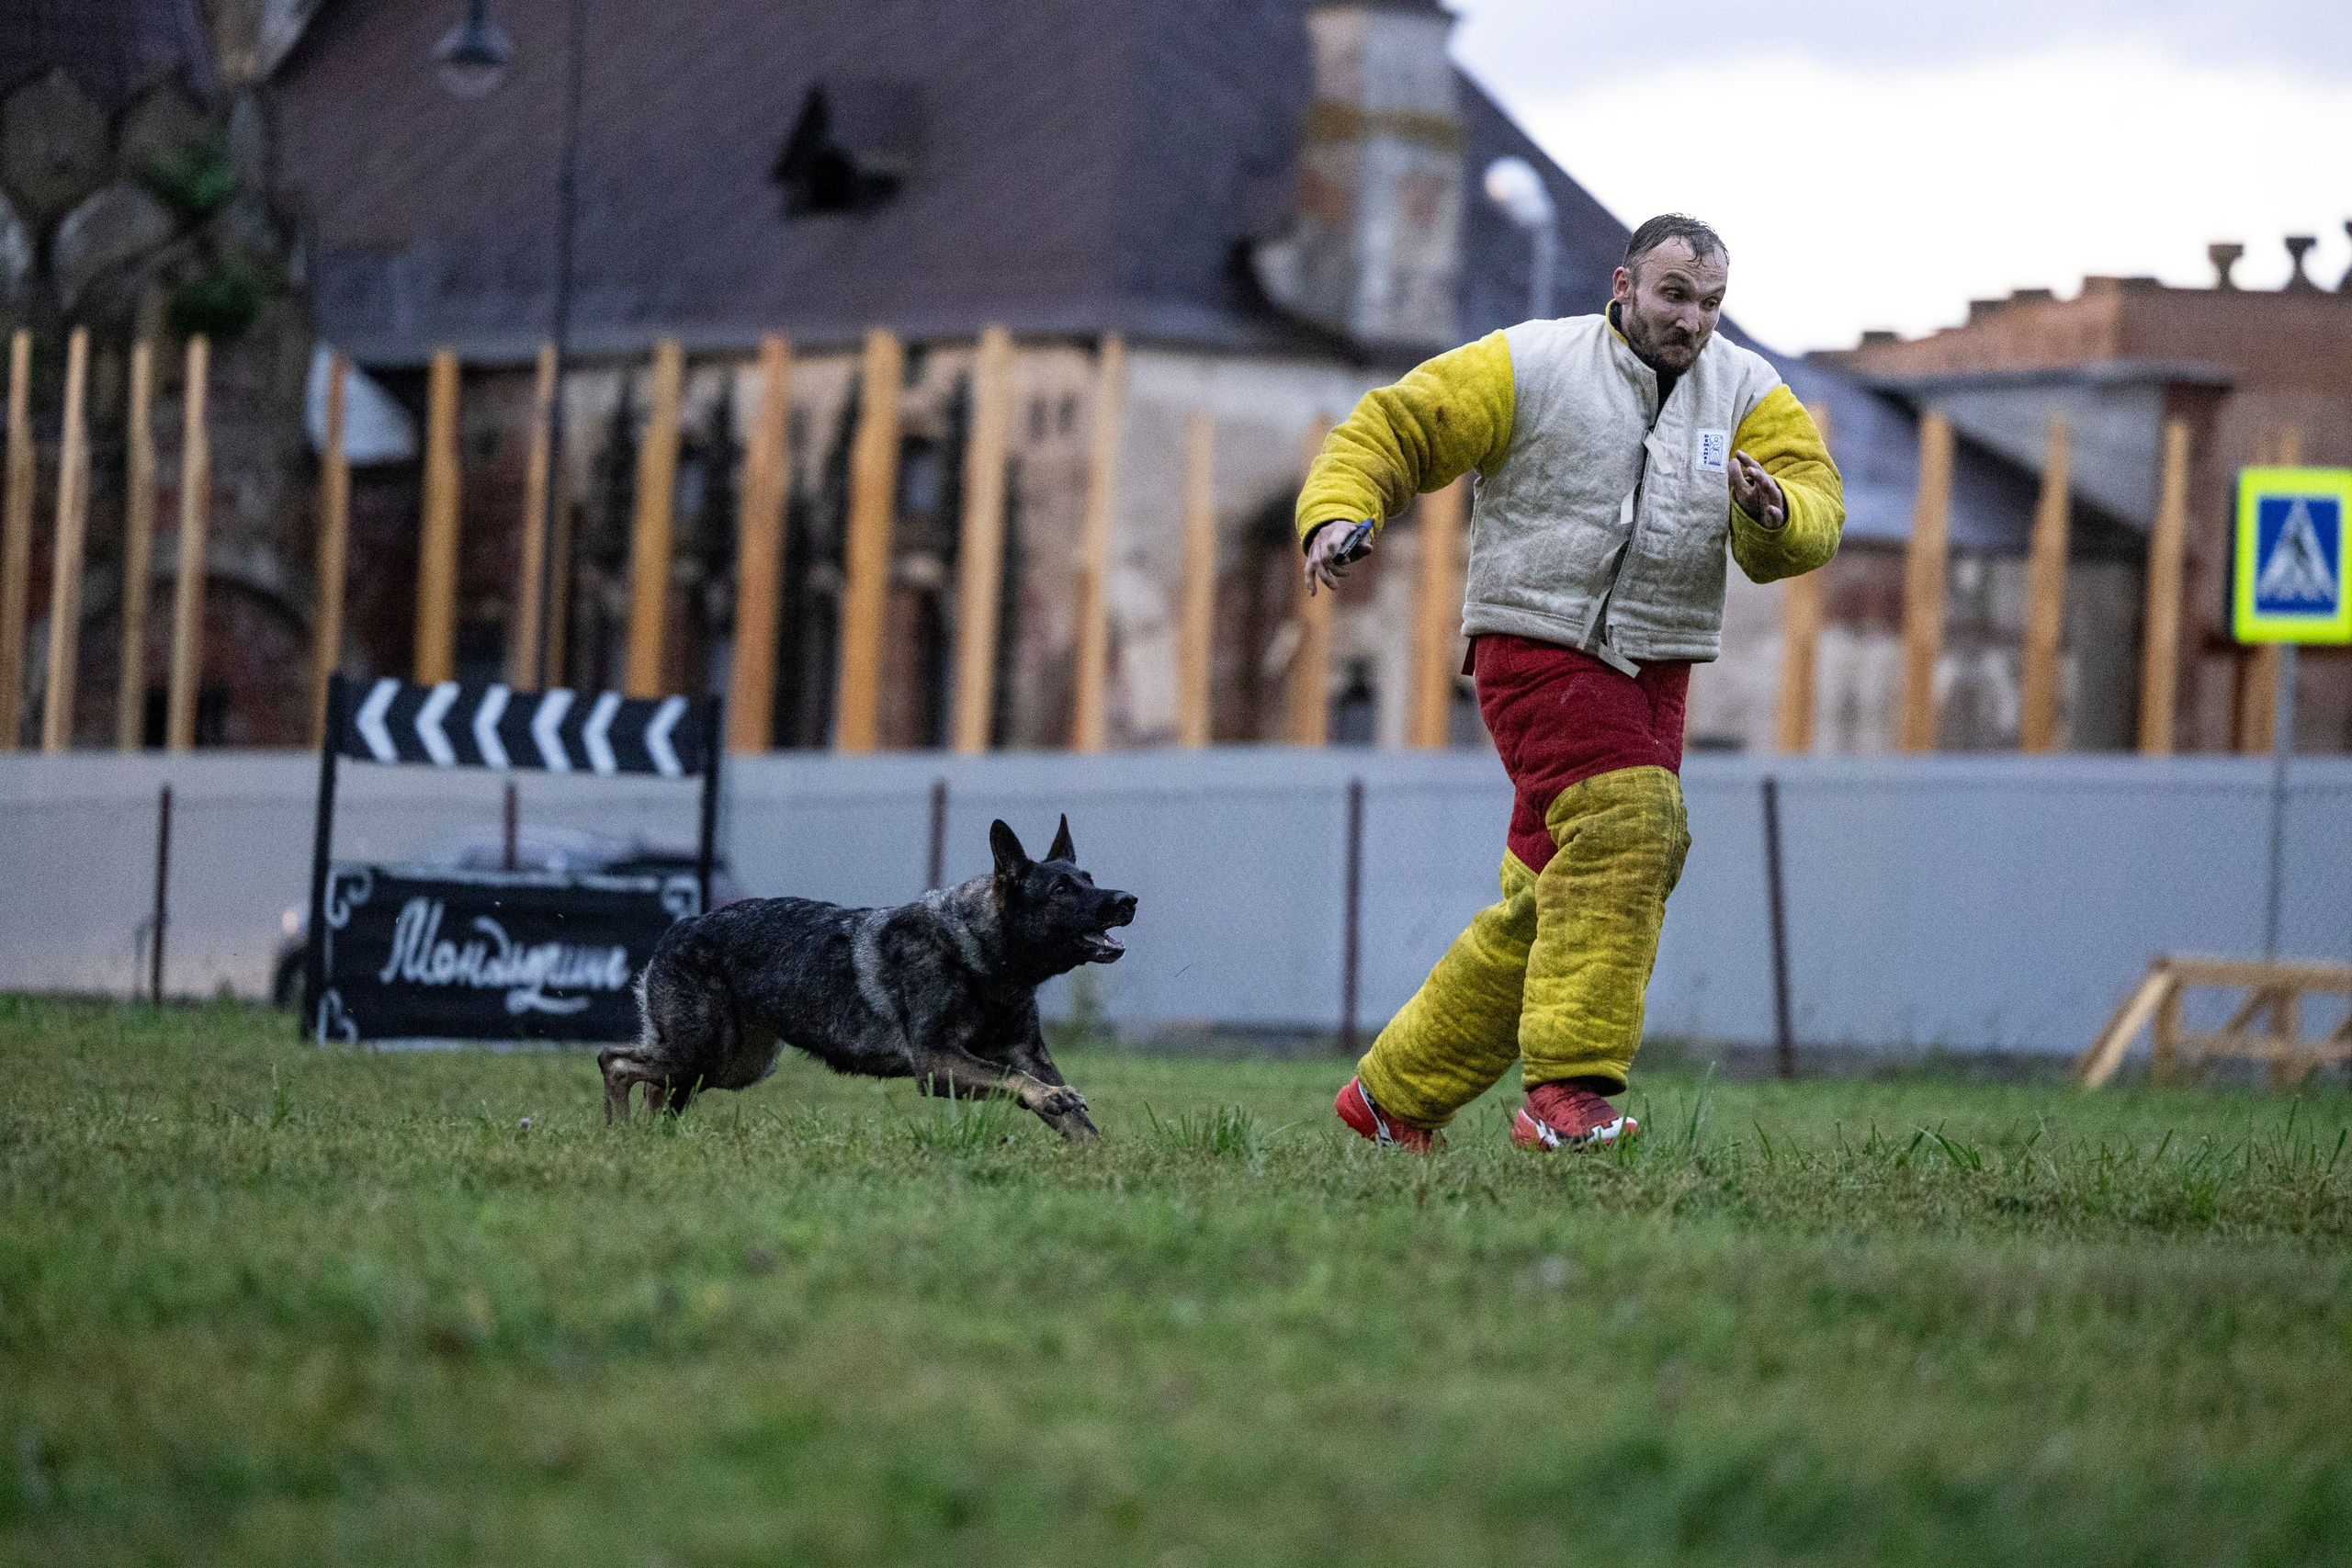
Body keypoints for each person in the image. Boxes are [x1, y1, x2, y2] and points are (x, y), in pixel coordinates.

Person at [1298, 213, 1842, 1153]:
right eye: (1676, 296)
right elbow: (1396, 425)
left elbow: (1816, 512)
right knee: (1632, 829)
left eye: (1712, 303)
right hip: (1536, 647)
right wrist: (1337, 511)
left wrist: (1776, 510)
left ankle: (1391, 1101)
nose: (1696, 321)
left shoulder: (1748, 391)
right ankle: (1566, 1095)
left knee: (1549, 899)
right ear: (1624, 285)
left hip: (1657, 670)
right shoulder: (1533, 363)